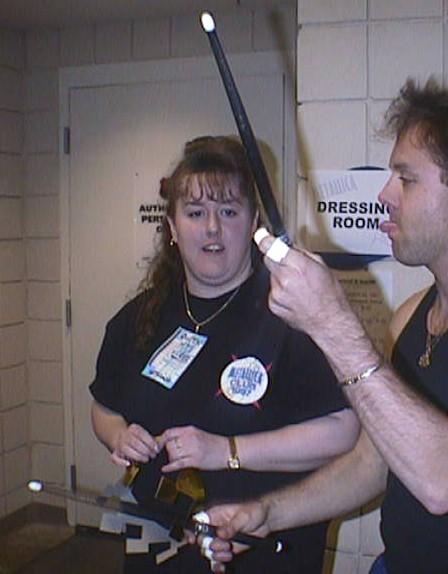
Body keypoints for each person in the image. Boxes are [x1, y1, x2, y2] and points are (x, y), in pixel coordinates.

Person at [205, 80, 448, 573]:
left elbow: (445, 481)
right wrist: (267, 513)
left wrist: (331, 323)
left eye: (407, 179)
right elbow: (372, 463)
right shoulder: (411, 315)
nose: (385, 195)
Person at [89, 135, 359, 573]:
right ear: (173, 228)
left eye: (229, 212)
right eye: (195, 213)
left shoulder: (293, 314)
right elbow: (104, 408)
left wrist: (227, 450)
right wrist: (119, 435)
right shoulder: (139, 318)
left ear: (253, 223)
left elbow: (343, 431)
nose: (212, 228)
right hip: (159, 548)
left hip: (261, 550)